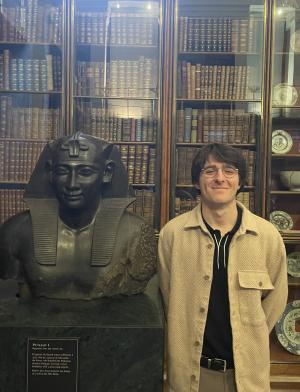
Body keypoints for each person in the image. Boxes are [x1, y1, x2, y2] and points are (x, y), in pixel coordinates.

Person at [158, 143, 288, 392]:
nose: (220, 178)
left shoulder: (267, 237)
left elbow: (275, 303)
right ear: (197, 181)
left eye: (229, 171)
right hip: (191, 378)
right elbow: (167, 300)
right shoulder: (172, 236)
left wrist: (251, 335)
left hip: (248, 378)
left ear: (240, 181)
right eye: (210, 171)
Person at [0, 132, 157, 300]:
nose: (72, 184)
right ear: (50, 172)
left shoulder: (137, 233)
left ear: (107, 172)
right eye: (62, 171)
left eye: (85, 172)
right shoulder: (15, 232)